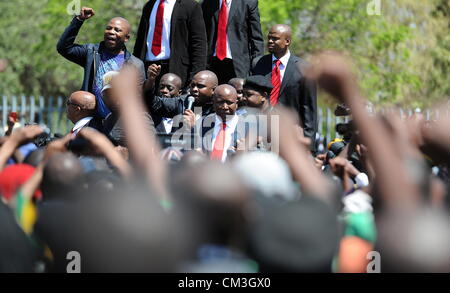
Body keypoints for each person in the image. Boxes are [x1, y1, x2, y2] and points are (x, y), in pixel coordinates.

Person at [57, 7, 146, 118]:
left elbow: (138, 99)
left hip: (119, 125)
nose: (111, 32)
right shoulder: (91, 53)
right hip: (92, 121)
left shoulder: (135, 64)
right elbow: (64, 48)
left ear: (126, 38)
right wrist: (78, 20)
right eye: (109, 28)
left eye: (117, 30)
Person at [252, 24, 317, 144]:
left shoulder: (304, 68)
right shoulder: (258, 64)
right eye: (269, 38)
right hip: (261, 131)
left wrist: (309, 145)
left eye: (275, 39)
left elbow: (309, 109)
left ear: (287, 41)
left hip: (290, 133)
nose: (270, 41)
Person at [133, 0, 207, 87]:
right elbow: (140, 41)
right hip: (147, 69)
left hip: (175, 69)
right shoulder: (149, 6)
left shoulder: (190, 6)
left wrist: (195, 77)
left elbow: (199, 44)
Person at [201, 0, 264, 84]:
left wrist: (256, 68)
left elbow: (256, 39)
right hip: (212, 62)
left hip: (238, 64)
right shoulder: (207, 3)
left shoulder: (248, 3)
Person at [148, 70, 218, 133]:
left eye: (200, 86)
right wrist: (150, 81)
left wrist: (193, 127)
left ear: (213, 90)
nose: (194, 89)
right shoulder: (182, 102)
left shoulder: (220, 109)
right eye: (192, 86)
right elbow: (155, 103)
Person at [201, 84, 248, 161]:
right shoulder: (202, 124)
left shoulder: (248, 128)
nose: (225, 107)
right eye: (220, 102)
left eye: (229, 102)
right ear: (213, 103)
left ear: (236, 104)